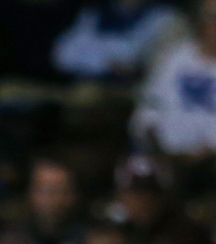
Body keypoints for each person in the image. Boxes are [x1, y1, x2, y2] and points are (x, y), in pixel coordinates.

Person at [131, 0, 216, 156]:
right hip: (166, 157)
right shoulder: (173, 58)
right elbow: (148, 109)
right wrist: (153, 139)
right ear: (199, 21)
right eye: (212, 17)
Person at [52, 0, 188, 81]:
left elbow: (134, 63)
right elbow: (63, 56)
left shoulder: (165, 18)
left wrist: (135, 68)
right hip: (87, 88)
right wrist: (107, 63)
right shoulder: (95, 13)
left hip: (130, 97)